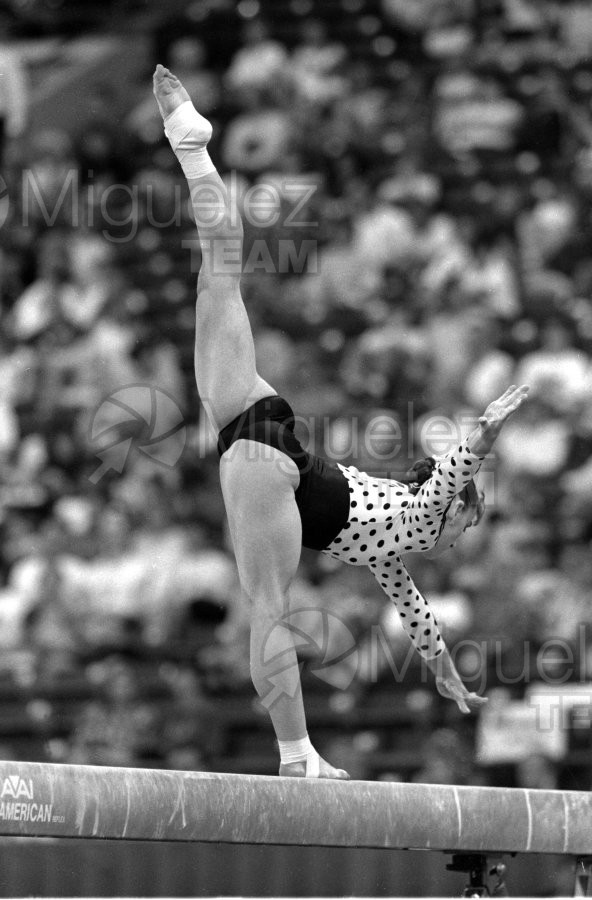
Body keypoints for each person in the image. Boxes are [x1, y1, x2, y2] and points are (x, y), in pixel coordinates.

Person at [152, 65, 530, 780]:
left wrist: (444, 672)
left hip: (263, 432)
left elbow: (417, 615)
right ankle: (297, 755)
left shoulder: (389, 550)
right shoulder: (421, 514)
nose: (461, 536)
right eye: (467, 523)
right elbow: (452, 473)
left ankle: (189, 142)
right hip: (267, 453)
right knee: (268, 604)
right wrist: (485, 433)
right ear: (450, 512)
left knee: (218, 267)